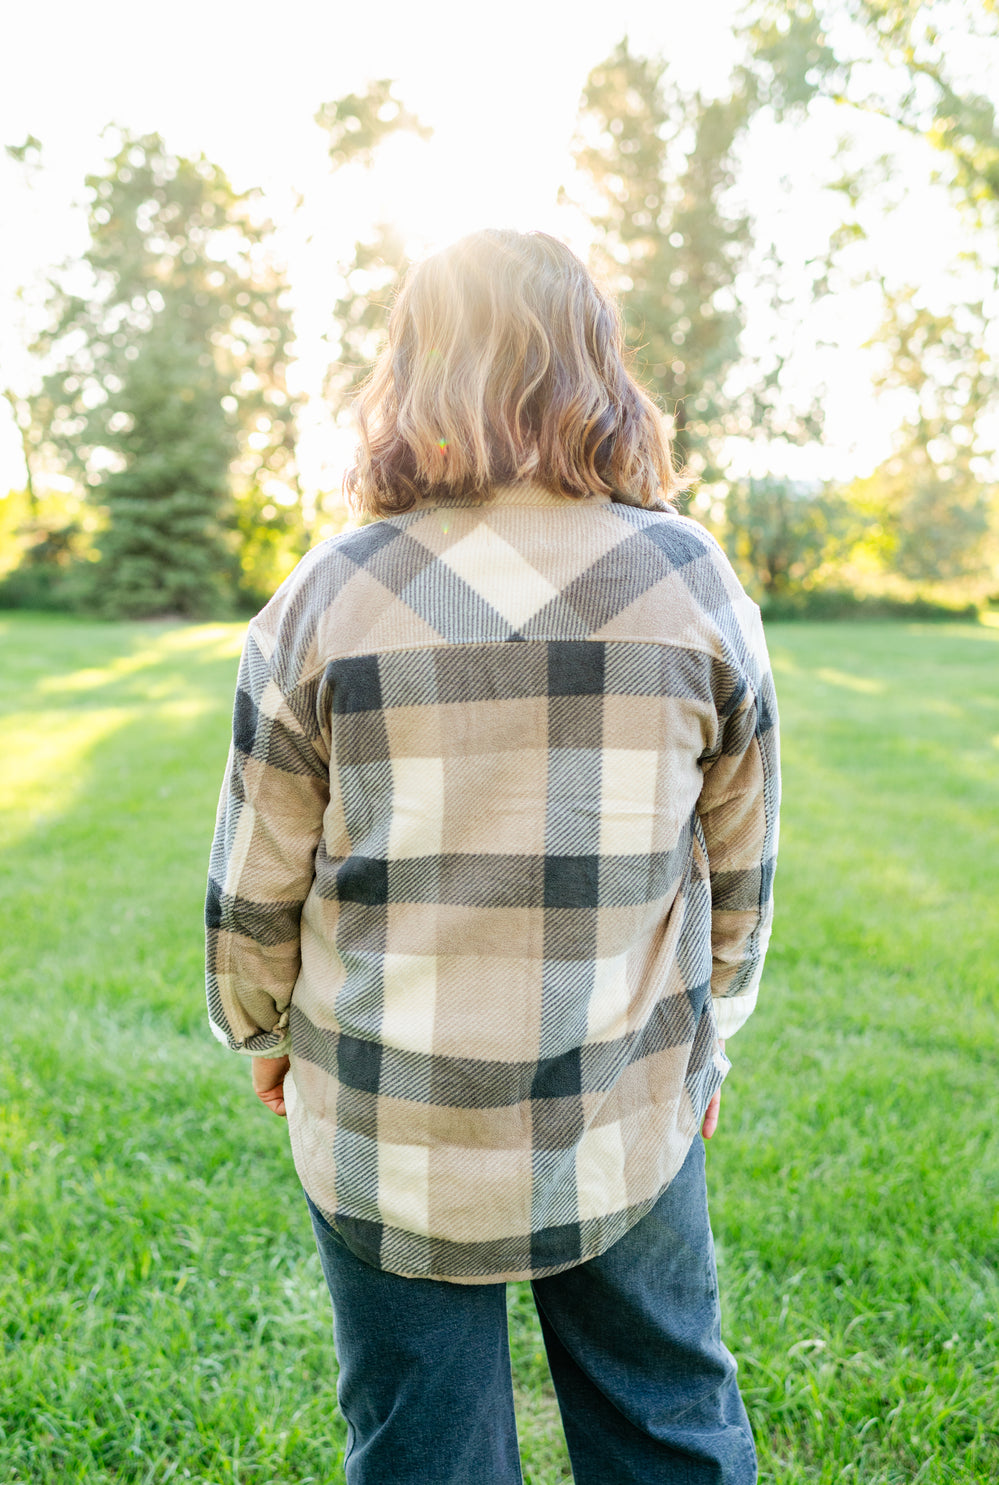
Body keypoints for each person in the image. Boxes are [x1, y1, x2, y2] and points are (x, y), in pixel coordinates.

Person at [206, 228, 779, 1485]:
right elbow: (739, 876)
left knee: (422, 1446)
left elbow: (254, 889)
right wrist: (707, 1038)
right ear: (597, 371)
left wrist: (263, 1038)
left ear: (412, 374)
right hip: (623, 1102)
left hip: (382, 1115)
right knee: (666, 1419)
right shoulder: (693, 581)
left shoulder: (323, 597)